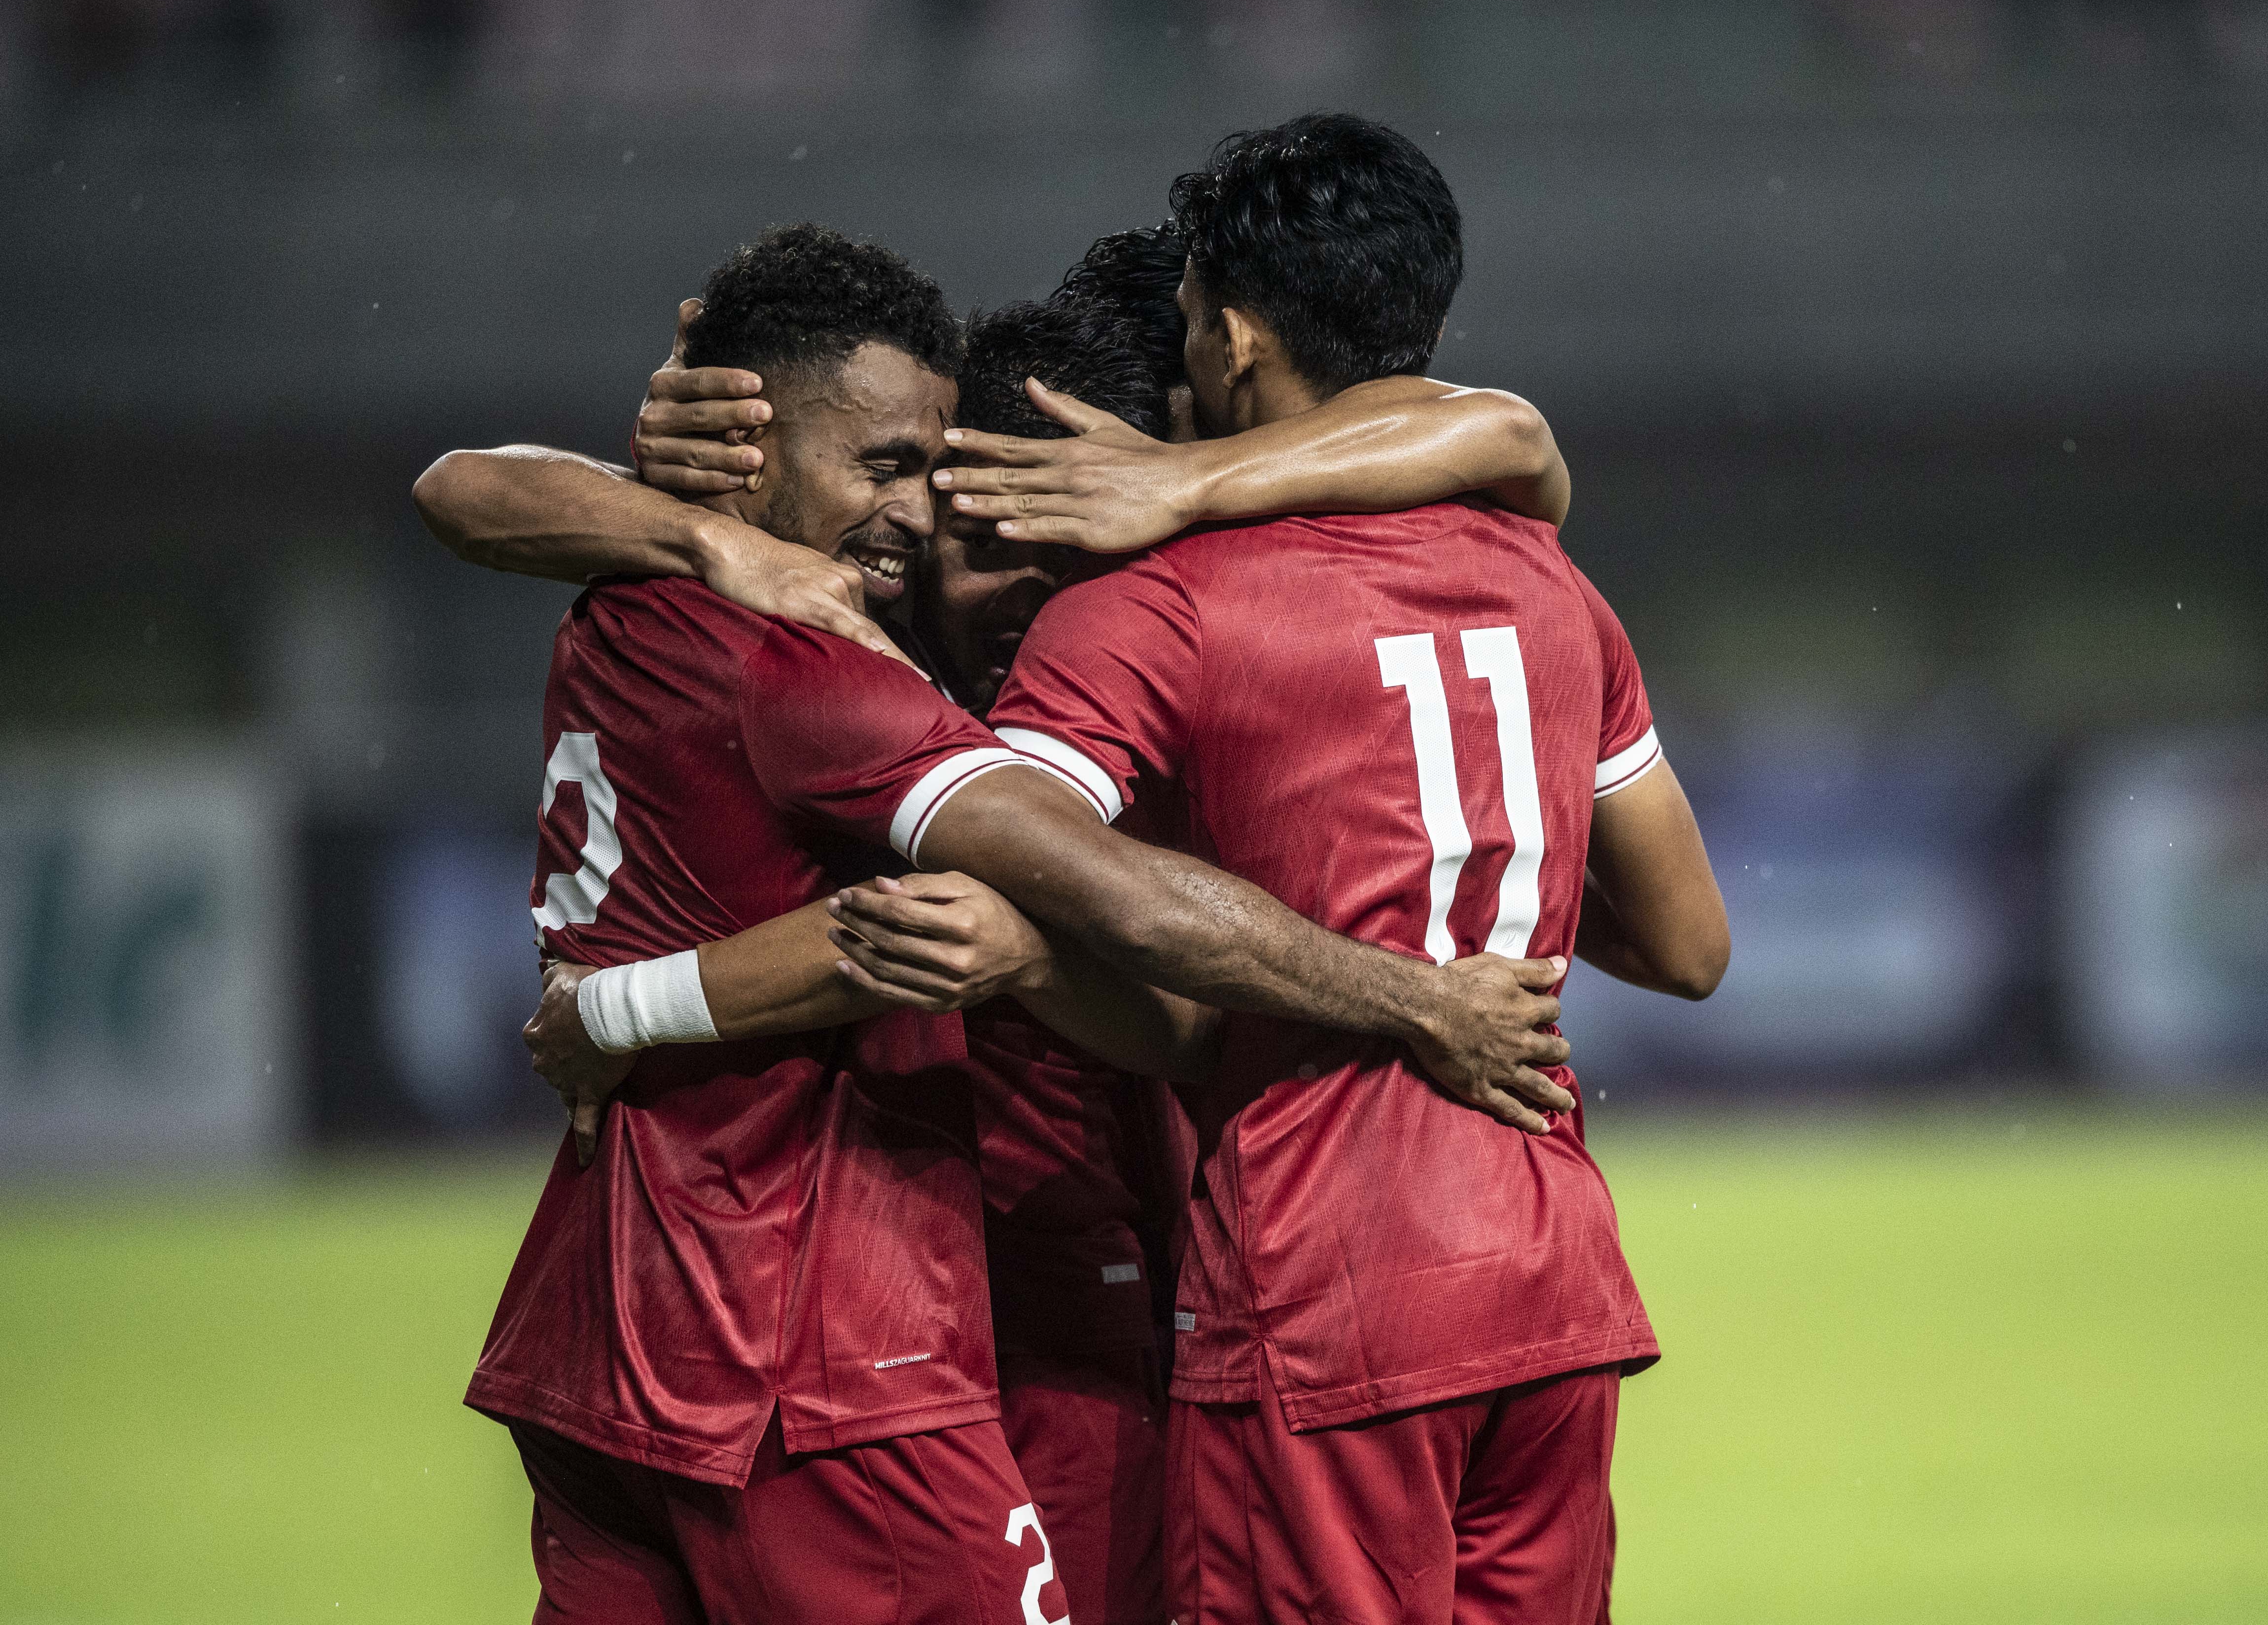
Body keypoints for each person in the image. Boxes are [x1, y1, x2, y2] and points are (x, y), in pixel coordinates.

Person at [413, 222, 1580, 1623]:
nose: (930, 534)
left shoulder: (666, 611)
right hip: (851, 1344)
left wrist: (614, 1007)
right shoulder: (833, 666)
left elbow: (1511, 439)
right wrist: (1419, 1000)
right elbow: (1109, 934)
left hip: (684, 1329)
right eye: (910, 483)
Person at [912, 114, 1731, 1625]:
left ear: (1225, 334)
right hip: (1548, 1269)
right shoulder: (1552, 582)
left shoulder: (1163, 607)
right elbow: (1686, 945)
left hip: (1326, 1281)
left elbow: (1000, 830)